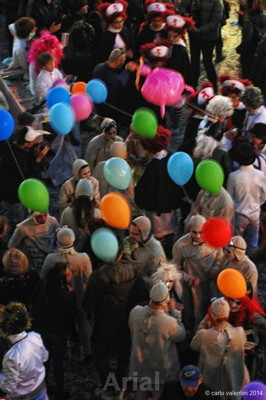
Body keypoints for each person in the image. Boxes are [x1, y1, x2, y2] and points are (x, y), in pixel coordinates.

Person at [82, 244, 149, 397]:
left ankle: (107, 385)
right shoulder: (133, 271)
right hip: (125, 321)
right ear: (120, 254)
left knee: (100, 355)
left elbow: (88, 305)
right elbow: (142, 296)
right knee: (124, 355)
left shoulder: (97, 276)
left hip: (103, 323)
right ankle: (121, 382)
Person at [41, 226, 93, 361]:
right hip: (79, 295)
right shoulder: (83, 257)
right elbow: (89, 277)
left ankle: (64, 352)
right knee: (82, 322)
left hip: (59, 297)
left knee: (62, 324)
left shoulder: (51, 258)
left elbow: (43, 277)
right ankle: (87, 351)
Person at [128, 282, 186, 400]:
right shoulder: (169, 322)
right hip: (161, 371)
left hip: (139, 366)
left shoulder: (135, 312)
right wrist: (174, 312)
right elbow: (181, 336)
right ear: (167, 299)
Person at [30, 261, 77, 400]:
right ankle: (59, 391)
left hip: (42, 329)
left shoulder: (43, 285)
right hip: (58, 332)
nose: (71, 276)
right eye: (69, 273)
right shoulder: (64, 294)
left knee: (45, 361)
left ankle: (44, 387)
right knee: (58, 364)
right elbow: (71, 313)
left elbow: (31, 299)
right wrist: (72, 295)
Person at [172, 215, 223, 332]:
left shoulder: (215, 239)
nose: (198, 236)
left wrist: (215, 269)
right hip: (191, 287)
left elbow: (220, 258)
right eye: (194, 232)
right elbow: (175, 268)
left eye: (201, 232)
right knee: (191, 311)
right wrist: (187, 277)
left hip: (210, 282)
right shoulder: (180, 245)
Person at [190, 297, 247, 400]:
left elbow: (193, 345)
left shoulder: (203, 335)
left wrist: (204, 323)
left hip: (209, 383)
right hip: (231, 382)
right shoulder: (239, 332)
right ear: (228, 314)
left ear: (211, 315)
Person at [0, 127, 51, 238]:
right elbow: (27, 178)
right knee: (19, 224)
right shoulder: (16, 158)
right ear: (26, 143)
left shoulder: (11, 146)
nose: (35, 142)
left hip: (8, 194)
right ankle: (15, 243)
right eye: (33, 141)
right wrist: (39, 158)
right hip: (14, 198)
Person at [0, 302, 49, 399]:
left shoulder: (11, 356)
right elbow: (45, 357)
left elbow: (8, 387)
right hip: (41, 390)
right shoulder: (35, 336)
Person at [227, 141, 266, 254]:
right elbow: (264, 195)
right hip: (254, 213)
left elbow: (230, 197)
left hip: (239, 214)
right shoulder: (259, 175)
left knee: (236, 244)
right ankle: (251, 266)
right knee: (253, 245)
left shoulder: (233, 177)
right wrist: (257, 204)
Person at [178, 0, 224, 91]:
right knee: (194, 60)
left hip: (208, 37)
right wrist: (184, 13)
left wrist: (200, 30)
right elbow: (182, 6)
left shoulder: (217, 2)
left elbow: (215, 22)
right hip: (194, 35)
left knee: (207, 62)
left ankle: (214, 86)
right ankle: (193, 85)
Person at [60, 179, 102, 252]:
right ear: (91, 195)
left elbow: (61, 232)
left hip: (71, 252)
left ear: (76, 194)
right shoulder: (97, 213)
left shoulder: (67, 212)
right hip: (92, 252)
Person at [60, 0, 96, 82]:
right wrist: (91, 31)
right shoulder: (77, 23)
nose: (87, 6)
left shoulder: (69, 19)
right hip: (78, 59)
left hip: (70, 58)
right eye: (84, 5)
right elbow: (84, 41)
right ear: (78, 7)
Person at [236, 0, 266, 79]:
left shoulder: (248, 22)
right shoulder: (263, 16)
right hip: (260, 56)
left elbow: (246, 41)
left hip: (249, 57)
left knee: (247, 80)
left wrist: (239, 49)